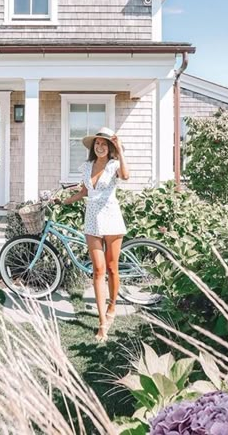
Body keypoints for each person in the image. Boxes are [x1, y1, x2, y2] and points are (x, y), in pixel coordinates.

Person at [61, 127, 129, 342]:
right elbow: (84, 192)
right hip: (92, 221)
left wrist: (120, 150)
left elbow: (126, 176)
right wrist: (63, 201)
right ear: (93, 147)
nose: (100, 147)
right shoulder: (86, 166)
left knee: (112, 268)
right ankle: (102, 322)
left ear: (110, 148)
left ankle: (112, 305)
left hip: (112, 219)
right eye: (97, 144)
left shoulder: (115, 165)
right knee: (98, 271)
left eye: (104, 144)